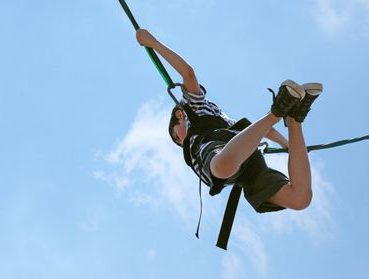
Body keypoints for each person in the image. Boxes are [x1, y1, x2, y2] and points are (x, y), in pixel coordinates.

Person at [136, 28, 323, 213]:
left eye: (176, 137)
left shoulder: (192, 107)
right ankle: (294, 121)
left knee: (223, 165)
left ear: (178, 116)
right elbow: (258, 130)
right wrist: (289, 145)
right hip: (245, 163)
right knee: (300, 199)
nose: (180, 141)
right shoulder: (222, 119)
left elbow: (188, 74)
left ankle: (276, 113)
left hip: (219, 151)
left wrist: (152, 42)